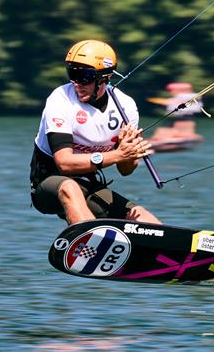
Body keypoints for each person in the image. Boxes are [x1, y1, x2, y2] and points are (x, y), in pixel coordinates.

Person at [29, 40, 161, 225]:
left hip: (89, 184)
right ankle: (90, 244)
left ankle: (173, 251)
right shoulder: (60, 100)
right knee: (69, 187)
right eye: (71, 73)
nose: (76, 83)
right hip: (48, 184)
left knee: (140, 217)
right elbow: (65, 164)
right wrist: (118, 154)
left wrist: (129, 155)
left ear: (104, 78)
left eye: (84, 76)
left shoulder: (126, 106)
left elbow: (125, 170)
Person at [147, 82, 204, 152]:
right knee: (162, 131)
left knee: (173, 131)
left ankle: (159, 142)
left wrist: (154, 100)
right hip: (176, 119)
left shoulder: (187, 96)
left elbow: (174, 102)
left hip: (183, 119)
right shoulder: (186, 97)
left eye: (172, 90)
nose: (171, 92)